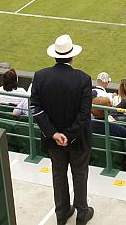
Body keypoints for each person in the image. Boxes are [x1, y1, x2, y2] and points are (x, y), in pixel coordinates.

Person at [30, 35, 94, 225]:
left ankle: (62, 213)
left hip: (54, 140)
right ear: (72, 57)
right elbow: (84, 114)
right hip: (78, 140)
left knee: (59, 175)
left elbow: (36, 108)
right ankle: (81, 214)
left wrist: (54, 134)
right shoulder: (83, 79)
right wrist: (67, 135)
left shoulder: (40, 76)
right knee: (79, 175)